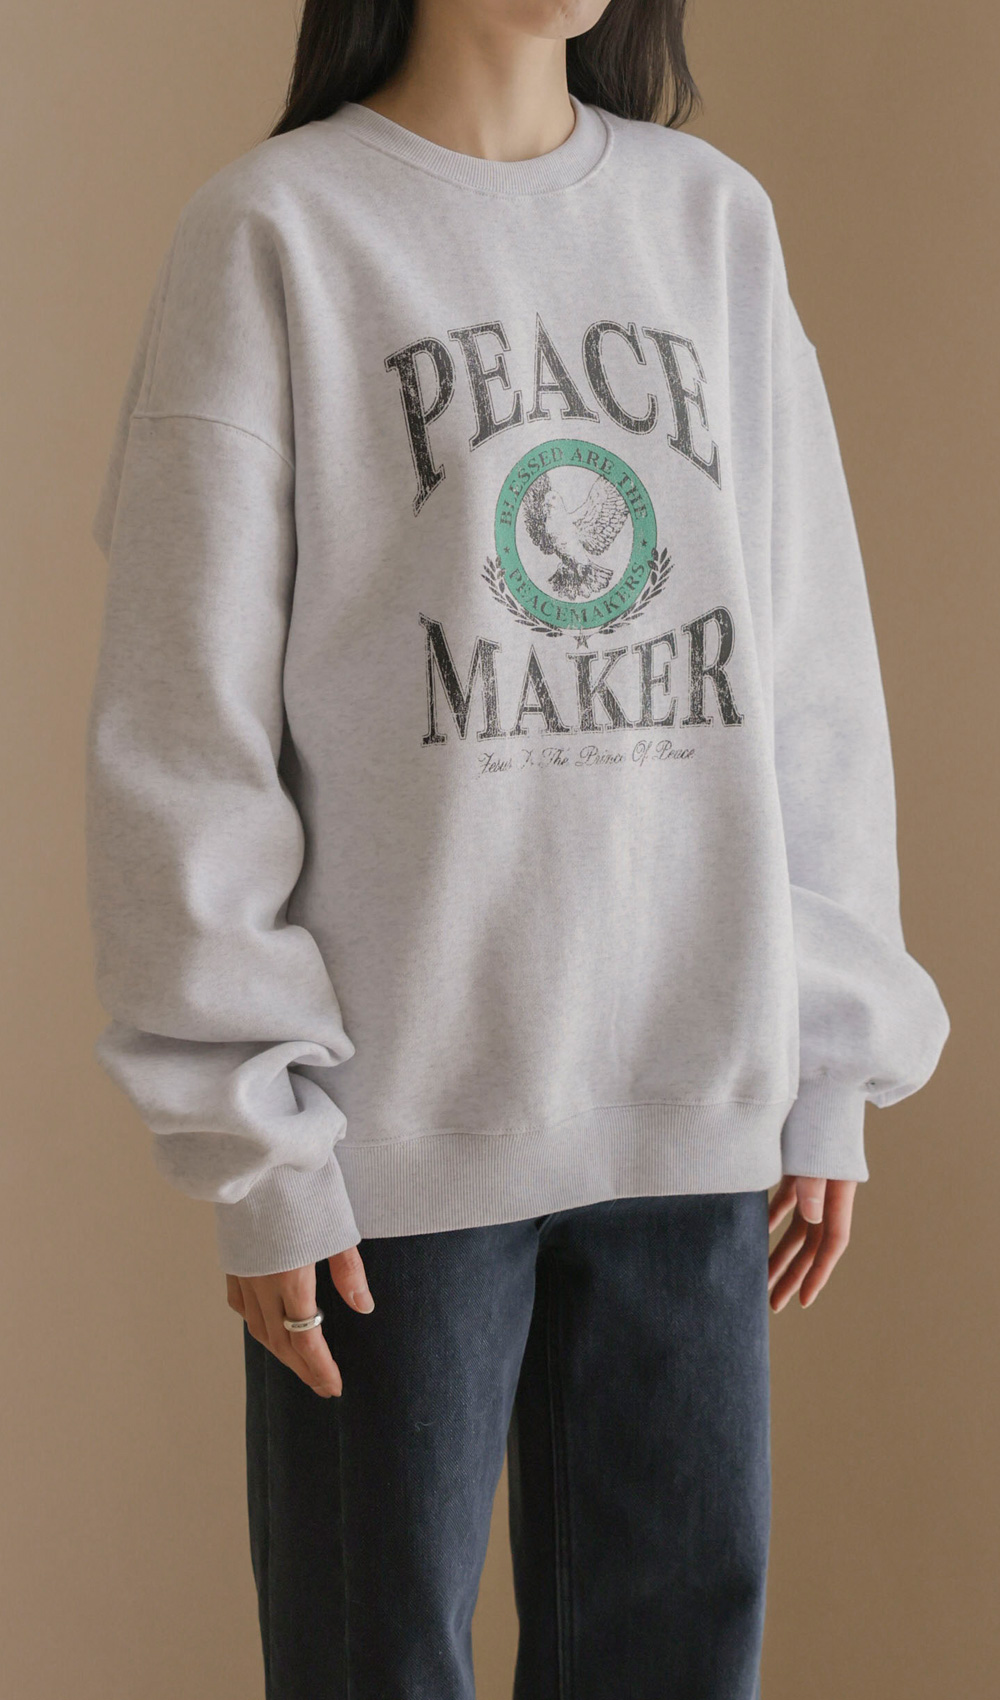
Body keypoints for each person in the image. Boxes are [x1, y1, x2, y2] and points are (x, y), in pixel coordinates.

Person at [83, 2, 951, 1696]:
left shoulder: (708, 220)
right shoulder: (278, 233)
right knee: (374, 1664)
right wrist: (258, 1141)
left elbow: (809, 670)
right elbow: (184, 732)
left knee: (673, 1662)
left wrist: (827, 1052)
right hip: (387, 1148)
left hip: (690, 1114)